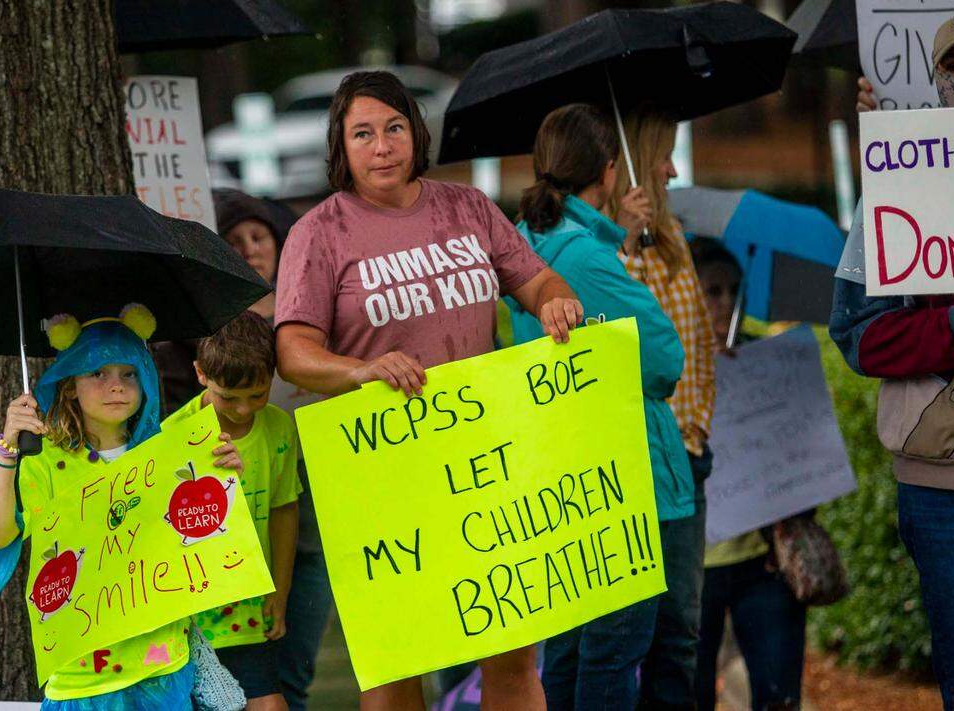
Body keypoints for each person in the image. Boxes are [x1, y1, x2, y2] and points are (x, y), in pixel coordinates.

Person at [273, 69, 582, 711]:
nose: (381, 146)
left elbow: (541, 282)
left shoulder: (467, 208)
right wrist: (360, 370)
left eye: (393, 128)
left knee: (511, 648)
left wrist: (556, 303)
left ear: (415, 133)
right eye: (363, 133)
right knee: (397, 665)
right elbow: (294, 354)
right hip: (383, 477)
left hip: (484, 463)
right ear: (342, 145)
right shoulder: (319, 232)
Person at [505, 102, 691, 709]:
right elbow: (663, 356)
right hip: (620, 479)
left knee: (568, 654)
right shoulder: (582, 257)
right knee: (614, 653)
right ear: (608, 172)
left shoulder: (524, 242)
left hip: (559, 481)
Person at [834, 6, 954, 708]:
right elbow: (860, 336)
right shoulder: (894, 184)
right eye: (952, 68)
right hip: (943, 481)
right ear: (933, 79)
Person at [0, 304, 242, 708]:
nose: (115, 385)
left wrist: (227, 477)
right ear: (69, 385)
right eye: (97, 373)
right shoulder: (46, 461)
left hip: (161, 666)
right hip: (82, 675)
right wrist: (9, 450)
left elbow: (206, 535)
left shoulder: (168, 452)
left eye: (128, 373)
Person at [606, 108, 716, 709]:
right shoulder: (607, 249)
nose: (673, 169)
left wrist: (698, 430)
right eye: (662, 156)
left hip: (687, 460)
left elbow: (696, 345)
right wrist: (621, 239)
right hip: (638, 467)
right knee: (632, 636)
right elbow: (621, 340)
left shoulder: (672, 241)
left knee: (680, 632)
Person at [690, 238, 806, 711]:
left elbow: (805, 452)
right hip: (693, 564)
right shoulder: (665, 366)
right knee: (689, 696)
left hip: (765, 559)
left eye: (734, 290)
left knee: (778, 695)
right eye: (712, 290)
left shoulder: (766, 358)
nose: (724, 302)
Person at [164, 311, 301, 711]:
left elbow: (284, 510)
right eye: (229, 397)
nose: (243, 410)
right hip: (192, 617)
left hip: (250, 610)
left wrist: (281, 588)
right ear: (201, 373)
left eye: (257, 395)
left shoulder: (278, 427)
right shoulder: (174, 434)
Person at [155, 189, 294, 415]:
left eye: (258, 237)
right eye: (233, 242)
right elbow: (174, 404)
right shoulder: (194, 323)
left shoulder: (302, 307)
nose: (250, 250)